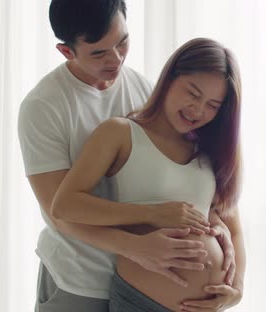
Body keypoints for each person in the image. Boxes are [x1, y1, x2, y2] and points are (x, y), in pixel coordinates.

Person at [18, 0, 237, 311]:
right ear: (67, 52)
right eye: (99, 52)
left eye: (122, 42)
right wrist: (136, 245)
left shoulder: (146, 91)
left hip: (142, 277)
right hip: (79, 279)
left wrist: (218, 226)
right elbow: (60, 213)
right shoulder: (43, 107)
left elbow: (180, 178)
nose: (116, 58)